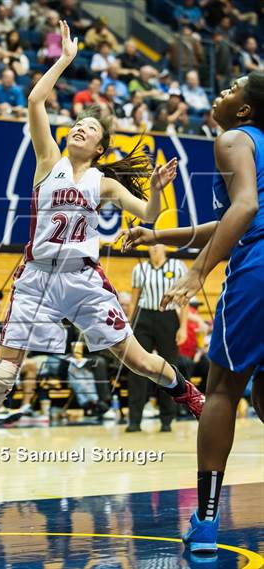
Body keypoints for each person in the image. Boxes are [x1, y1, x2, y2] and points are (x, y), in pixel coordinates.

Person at [0, 21, 204, 498]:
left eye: (89, 129)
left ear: (100, 147)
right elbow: (36, 101)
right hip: (37, 277)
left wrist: (160, 191)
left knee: (140, 361)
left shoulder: (103, 182)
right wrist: (64, 60)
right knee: (2, 374)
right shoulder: (48, 162)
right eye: (77, 124)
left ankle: (187, 393)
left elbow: (148, 215)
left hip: (83, 279)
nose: (78, 128)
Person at [117, 71, 264, 553]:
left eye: (234, 88)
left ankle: (204, 522)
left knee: (222, 389)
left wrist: (200, 270)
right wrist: (160, 236)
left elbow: (242, 210)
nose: (223, 91)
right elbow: (232, 216)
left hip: (257, 267)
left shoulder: (232, 139)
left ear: (244, 110)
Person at [126, 245, 188, 432]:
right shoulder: (139, 269)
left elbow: (183, 300)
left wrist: (183, 327)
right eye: (151, 246)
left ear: (165, 249)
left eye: (157, 245)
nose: (154, 249)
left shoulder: (177, 266)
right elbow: (134, 300)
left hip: (168, 318)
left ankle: (167, 419)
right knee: (137, 367)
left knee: (168, 366)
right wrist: (128, 325)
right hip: (143, 317)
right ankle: (134, 420)